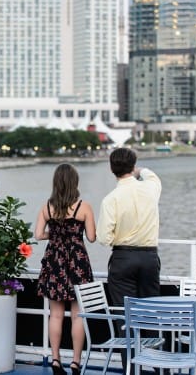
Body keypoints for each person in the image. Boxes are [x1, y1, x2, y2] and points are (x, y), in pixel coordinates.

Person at [96, 147, 162, 373]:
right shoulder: (151, 189)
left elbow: (104, 238)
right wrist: (139, 170)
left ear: (111, 169)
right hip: (149, 257)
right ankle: (156, 365)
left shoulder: (110, 199)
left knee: (125, 316)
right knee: (151, 313)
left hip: (123, 258)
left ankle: (130, 370)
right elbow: (152, 176)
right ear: (133, 167)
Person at [35, 163, 96, 375]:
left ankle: (55, 359)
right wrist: (73, 235)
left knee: (56, 315)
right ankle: (75, 362)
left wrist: (55, 235)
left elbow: (38, 235)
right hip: (77, 262)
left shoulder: (47, 207)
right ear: (74, 183)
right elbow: (92, 237)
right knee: (78, 315)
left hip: (54, 261)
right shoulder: (84, 207)